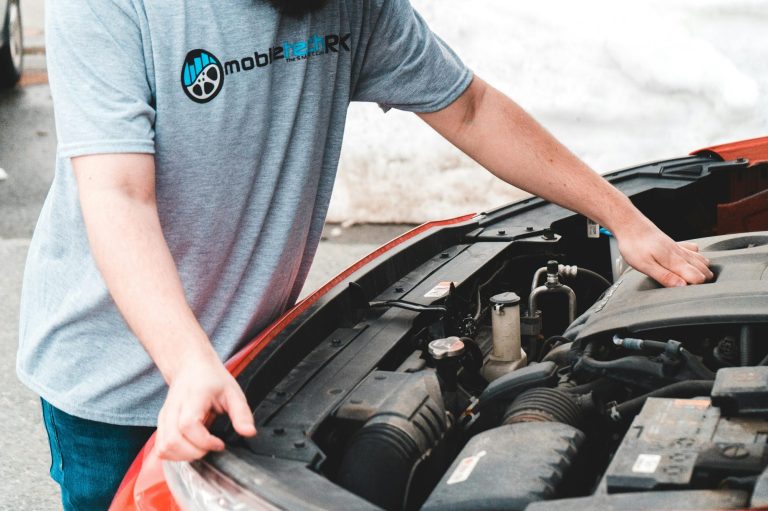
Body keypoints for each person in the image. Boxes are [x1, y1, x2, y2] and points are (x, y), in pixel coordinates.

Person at [16, 0, 713, 509]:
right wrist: (188, 363)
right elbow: (118, 195)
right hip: (117, 384)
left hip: (254, 362)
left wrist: (624, 219)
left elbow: (469, 108)